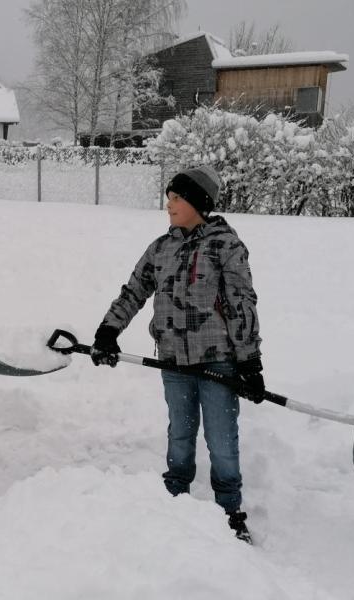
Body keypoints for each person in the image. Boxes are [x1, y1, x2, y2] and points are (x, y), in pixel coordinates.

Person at [90, 165, 264, 544]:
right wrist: (108, 331)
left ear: (198, 202)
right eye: (168, 197)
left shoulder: (225, 246)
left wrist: (250, 362)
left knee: (221, 440)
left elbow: (241, 304)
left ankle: (230, 511)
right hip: (173, 361)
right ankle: (175, 500)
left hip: (218, 361)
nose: (168, 205)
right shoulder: (161, 248)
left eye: (176, 198)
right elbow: (134, 291)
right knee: (180, 436)